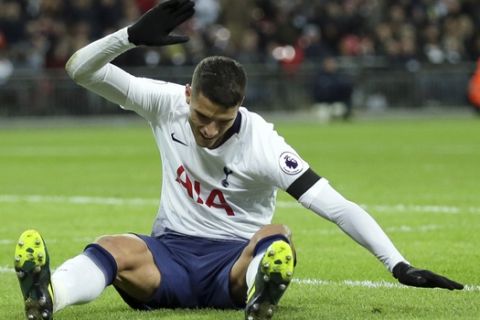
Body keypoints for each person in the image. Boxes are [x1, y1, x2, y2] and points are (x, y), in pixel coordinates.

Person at [14, 1, 463, 320]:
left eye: (222, 121)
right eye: (201, 117)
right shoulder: (166, 102)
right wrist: (127, 37)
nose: (209, 130)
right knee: (114, 245)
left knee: (277, 235)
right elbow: (80, 69)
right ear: (189, 96)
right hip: (167, 257)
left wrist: (397, 264)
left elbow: (336, 205)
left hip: (232, 264)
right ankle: (48, 296)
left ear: (239, 109)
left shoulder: (263, 143)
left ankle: (257, 298)